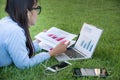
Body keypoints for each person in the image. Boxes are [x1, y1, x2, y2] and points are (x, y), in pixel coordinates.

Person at [0, 0, 69, 69]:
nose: (37, 13)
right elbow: (24, 64)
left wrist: (38, 41)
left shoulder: (6, 22)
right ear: (28, 12)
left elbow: (21, 50)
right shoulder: (15, 31)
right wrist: (51, 53)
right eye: (36, 8)